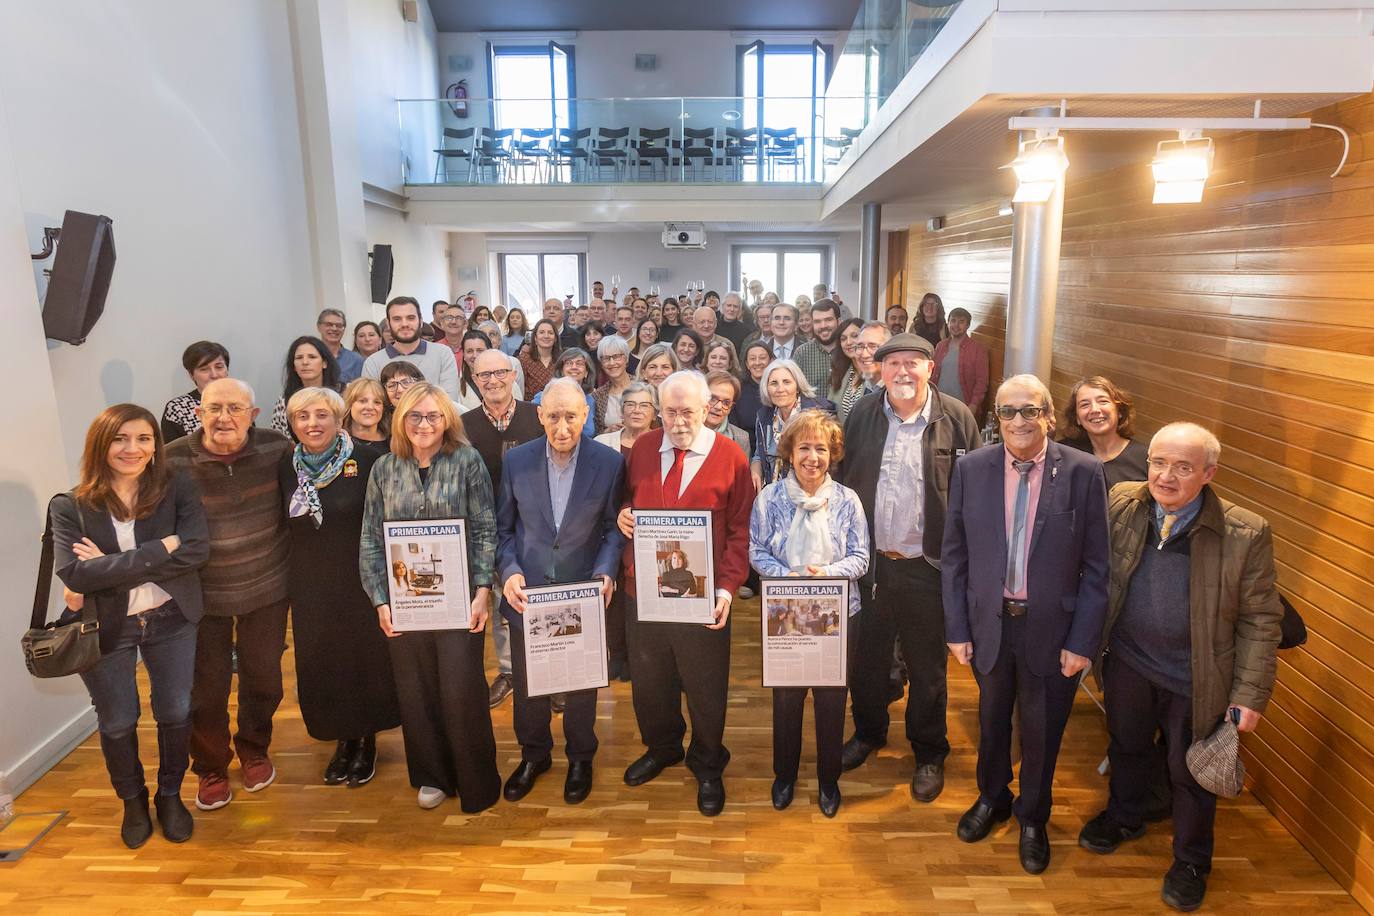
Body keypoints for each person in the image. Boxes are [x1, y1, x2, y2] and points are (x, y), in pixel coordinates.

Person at [1077, 423, 1282, 912]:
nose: (1166, 476)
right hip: (1128, 661)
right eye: (1158, 462)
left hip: (1197, 677)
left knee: (1189, 771)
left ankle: (1191, 861)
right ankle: (1124, 815)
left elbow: (1261, 619)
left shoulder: (1244, 532)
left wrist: (1249, 695)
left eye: (1183, 467)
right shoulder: (1124, 503)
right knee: (1126, 746)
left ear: (1208, 474)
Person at [942, 373, 1109, 875]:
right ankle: (992, 798)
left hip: (1052, 634)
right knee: (991, 724)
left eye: (1030, 410)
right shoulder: (971, 469)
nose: (1019, 420)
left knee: (1042, 731)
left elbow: (1099, 567)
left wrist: (1083, 641)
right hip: (989, 624)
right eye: (1009, 411)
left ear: (1049, 416)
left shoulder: (1082, 472)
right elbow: (954, 556)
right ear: (997, 418)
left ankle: (1032, 816)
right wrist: (956, 627)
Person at [52, 404, 209, 848]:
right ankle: (133, 802)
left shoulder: (176, 486)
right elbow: (76, 576)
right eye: (121, 438)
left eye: (143, 439)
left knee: (175, 711)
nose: (132, 449)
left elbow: (196, 551)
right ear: (101, 444)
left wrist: (109, 567)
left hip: (172, 618)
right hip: (108, 625)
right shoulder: (71, 506)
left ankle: (170, 796)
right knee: (119, 718)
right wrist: (162, 551)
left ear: (155, 446)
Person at [835, 332, 980, 805]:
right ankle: (870, 732)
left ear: (929, 369)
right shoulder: (863, 414)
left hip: (928, 566)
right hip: (871, 564)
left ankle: (929, 751)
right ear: (880, 370)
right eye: (892, 363)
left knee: (928, 667)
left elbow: (975, 494)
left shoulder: (956, 418)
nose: (901, 372)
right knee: (868, 660)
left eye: (911, 363)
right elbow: (844, 479)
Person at [359, 383, 502, 813]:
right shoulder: (384, 468)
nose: (424, 424)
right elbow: (370, 538)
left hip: (460, 601)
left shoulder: (466, 460)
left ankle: (476, 779)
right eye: (415, 416)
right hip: (405, 604)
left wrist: (482, 592)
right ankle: (432, 775)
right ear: (401, 420)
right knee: (416, 691)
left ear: (447, 421)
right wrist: (380, 600)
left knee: (461, 689)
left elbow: (484, 528)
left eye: (433, 416)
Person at [616, 371, 753, 817]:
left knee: (705, 685)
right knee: (650, 680)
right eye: (670, 411)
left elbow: (739, 531)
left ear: (707, 407)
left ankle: (708, 762)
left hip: (703, 595)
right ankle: (663, 746)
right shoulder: (640, 450)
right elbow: (624, 502)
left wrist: (728, 589)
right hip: (645, 592)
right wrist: (622, 517)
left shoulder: (729, 456)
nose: (678, 422)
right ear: (659, 409)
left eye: (688, 412)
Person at [494, 379, 626, 805]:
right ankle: (534, 755)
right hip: (527, 594)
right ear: (540, 416)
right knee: (529, 684)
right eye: (553, 416)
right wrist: (509, 571)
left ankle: (581, 757)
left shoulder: (608, 463)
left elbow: (611, 529)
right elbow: (503, 529)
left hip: (581, 593)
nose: (562, 426)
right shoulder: (516, 460)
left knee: (582, 686)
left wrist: (606, 572)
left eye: (571, 416)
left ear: (586, 415)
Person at [163, 378, 291, 812]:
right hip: (202, 598)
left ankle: (254, 746)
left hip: (267, 588)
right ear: (198, 413)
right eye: (214, 408)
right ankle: (211, 766)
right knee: (205, 690)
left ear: (253, 416)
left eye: (235, 408)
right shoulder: (172, 459)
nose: (223, 418)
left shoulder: (276, 448)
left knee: (264, 679)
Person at [277, 388, 400, 788]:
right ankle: (342, 741)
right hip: (310, 583)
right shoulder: (285, 467)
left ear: (338, 418)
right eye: (302, 417)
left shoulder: (368, 460)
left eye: (320, 415)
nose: (312, 424)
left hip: (360, 580)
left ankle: (365, 741)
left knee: (363, 660)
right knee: (324, 662)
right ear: (293, 424)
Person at [749, 409, 868, 817]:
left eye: (821, 448)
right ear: (790, 451)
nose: (812, 457)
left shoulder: (848, 501)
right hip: (785, 612)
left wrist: (826, 576)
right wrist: (791, 578)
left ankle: (828, 781)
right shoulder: (769, 498)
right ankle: (784, 776)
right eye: (804, 448)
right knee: (787, 699)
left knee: (833, 701)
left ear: (832, 453)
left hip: (837, 614)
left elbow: (861, 557)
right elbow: (757, 551)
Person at [462, 349, 544, 709]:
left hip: (536, 527)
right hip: (486, 528)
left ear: (513, 375)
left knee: (540, 598)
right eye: (483, 376)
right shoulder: (463, 425)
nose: (492, 381)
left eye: (499, 373)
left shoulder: (536, 417)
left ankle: (548, 672)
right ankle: (510, 671)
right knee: (499, 602)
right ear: (474, 381)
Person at [751, 359, 833, 490]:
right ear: (766, 388)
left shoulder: (818, 414)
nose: (780, 389)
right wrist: (755, 467)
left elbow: (832, 459)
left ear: (798, 386)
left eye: (787, 382)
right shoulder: (763, 417)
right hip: (774, 494)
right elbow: (758, 453)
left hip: (811, 492)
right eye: (773, 383)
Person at [361, 297, 461, 400]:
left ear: (421, 321)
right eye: (397, 319)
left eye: (411, 318)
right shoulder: (373, 363)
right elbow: (373, 404)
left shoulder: (442, 354)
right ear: (388, 324)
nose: (404, 324)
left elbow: (449, 401)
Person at [1060, 375, 1150, 487]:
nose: (1095, 410)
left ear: (1119, 411)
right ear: (1077, 418)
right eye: (1085, 404)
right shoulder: (1064, 453)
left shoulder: (1146, 457)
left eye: (1103, 401)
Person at [931, 307, 990, 424]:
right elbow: (932, 374)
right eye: (953, 321)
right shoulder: (940, 346)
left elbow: (982, 381)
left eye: (961, 322)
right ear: (948, 323)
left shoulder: (978, 349)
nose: (956, 325)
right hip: (939, 405)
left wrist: (973, 405)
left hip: (963, 407)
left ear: (968, 325)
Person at [270, 336, 339, 436]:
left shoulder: (342, 393)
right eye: (299, 358)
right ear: (293, 366)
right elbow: (277, 437)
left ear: (324, 363)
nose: (305, 362)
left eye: (312, 357)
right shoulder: (285, 400)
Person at [162, 341, 230, 442]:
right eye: (204, 369)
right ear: (191, 374)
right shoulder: (178, 408)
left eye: (219, 367)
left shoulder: (239, 400)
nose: (214, 375)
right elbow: (173, 454)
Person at [532, 348, 596, 439]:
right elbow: (532, 429)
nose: (574, 367)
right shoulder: (542, 398)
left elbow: (589, 432)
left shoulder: (589, 400)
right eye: (569, 363)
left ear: (586, 372)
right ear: (561, 371)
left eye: (579, 363)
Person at [732, 340, 772, 457]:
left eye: (762, 358)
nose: (757, 362)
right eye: (753, 359)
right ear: (747, 364)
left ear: (770, 361)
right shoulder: (738, 390)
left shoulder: (779, 388)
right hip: (746, 452)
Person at [794, 299, 843, 392]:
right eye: (817, 321)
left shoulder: (848, 351)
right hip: (811, 407)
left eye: (828, 320)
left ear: (839, 321)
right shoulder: (802, 353)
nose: (823, 325)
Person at [592, 335, 634, 434]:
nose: (611, 363)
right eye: (606, 358)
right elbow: (596, 434)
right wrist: (609, 430)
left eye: (616, 357)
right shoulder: (598, 396)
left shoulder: (642, 386)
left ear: (626, 359)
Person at [704, 370, 750, 457]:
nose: (718, 407)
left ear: (731, 407)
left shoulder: (741, 439)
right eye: (712, 398)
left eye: (726, 402)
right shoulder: (684, 432)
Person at [827, 318, 866, 421]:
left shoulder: (876, 374)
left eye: (855, 336)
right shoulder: (840, 373)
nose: (848, 342)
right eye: (843, 339)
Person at [317, 308, 364, 384]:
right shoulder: (310, 357)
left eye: (339, 325)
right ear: (319, 327)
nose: (334, 328)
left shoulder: (356, 360)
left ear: (344, 329)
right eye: (329, 324)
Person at [520, 318, 562, 398]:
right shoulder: (524, 359)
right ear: (535, 338)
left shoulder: (562, 359)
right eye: (542, 332)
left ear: (555, 338)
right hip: (531, 407)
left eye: (550, 333)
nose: (546, 336)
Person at [342, 377, 389, 446]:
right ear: (349, 404)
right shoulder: (334, 441)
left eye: (377, 402)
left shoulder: (394, 444)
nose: (370, 407)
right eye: (362, 401)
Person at [455, 330, 492, 411]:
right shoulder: (456, 385)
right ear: (464, 355)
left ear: (489, 351)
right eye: (469, 351)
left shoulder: (505, 379)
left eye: (480, 350)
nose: (475, 355)